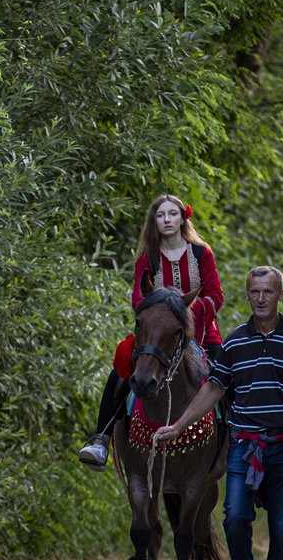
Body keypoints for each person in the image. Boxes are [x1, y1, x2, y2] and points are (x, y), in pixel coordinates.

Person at [153, 266, 283, 560]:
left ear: (281, 295)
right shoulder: (233, 343)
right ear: (248, 296)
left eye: (268, 292)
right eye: (254, 292)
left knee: (281, 528)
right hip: (245, 446)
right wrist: (178, 425)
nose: (260, 298)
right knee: (234, 519)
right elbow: (213, 391)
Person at [78, 194, 224, 470]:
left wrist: (185, 315)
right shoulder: (147, 259)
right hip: (156, 336)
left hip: (202, 333)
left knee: (225, 378)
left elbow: (216, 294)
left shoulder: (201, 253)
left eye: (172, 214)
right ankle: (101, 439)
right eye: (160, 215)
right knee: (120, 373)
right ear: (154, 222)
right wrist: (161, 316)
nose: (167, 220)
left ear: (182, 219)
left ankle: (239, 441)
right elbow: (137, 299)